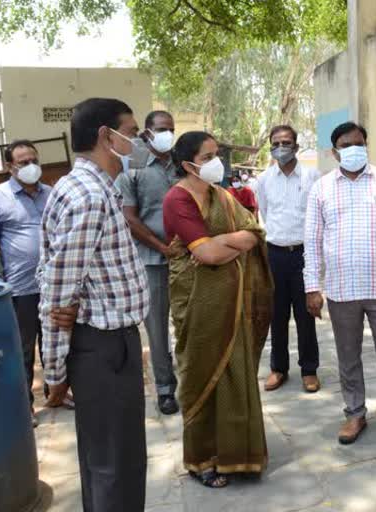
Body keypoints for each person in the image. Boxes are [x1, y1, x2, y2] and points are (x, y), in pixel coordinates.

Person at [38, 97, 150, 511]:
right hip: (102, 349)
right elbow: (57, 291)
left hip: (109, 343)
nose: (137, 142)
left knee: (109, 461)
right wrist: (54, 371)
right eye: (133, 133)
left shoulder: (93, 188)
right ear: (107, 136)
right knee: (115, 467)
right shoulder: (88, 196)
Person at [163, 131, 273, 488]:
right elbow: (206, 255)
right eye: (208, 156)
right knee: (201, 374)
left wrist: (222, 244)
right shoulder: (177, 200)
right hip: (197, 301)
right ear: (187, 164)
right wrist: (229, 244)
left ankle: (237, 455)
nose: (217, 162)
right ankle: (201, 459)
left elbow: (254, 231)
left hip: (233, 299)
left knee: (235, 372)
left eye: (217, 154)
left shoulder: (222, 196)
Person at [304, 121, 376, 447]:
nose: (352, 149)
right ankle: (355, 413)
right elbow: (311, 242)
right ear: (334, 150)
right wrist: (312, 287)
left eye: (358, 143)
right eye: (345, 144)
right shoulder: (321, 188)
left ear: (366, 145)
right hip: (341, 289)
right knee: (347, 355)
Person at [0, 140, 52, 427]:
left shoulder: (51, 193)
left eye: (33, 159)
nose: (30, 165)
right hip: (19, 289)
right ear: (10, 167)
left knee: (54, 342)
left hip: (53, 285)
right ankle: (26, 406)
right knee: (22, 349)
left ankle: (57, 391)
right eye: (23, 162)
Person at [115, 110, 179, 415]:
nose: (167, 134)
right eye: (161, 129)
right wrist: (162, 248)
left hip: (188, 259)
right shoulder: (132, 170)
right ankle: (166, 389)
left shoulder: (183, 166)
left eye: (171, 128)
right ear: (148, 133)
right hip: (152, 261)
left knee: (189, 323)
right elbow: (129, 219)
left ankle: (192, 379)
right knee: (157, 329)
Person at [257, 125, 321, 392]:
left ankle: (309, 370)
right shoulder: (263, 180)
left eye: (286, 143)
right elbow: (264, 211)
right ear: (270, 147)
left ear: (296, 146)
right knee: (277, 315)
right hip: (275, 254)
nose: (280, 148)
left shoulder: (311, 177)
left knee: (306, 314)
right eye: (276, 143)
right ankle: (278, 368)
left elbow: (317, 216)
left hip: (303, 254)